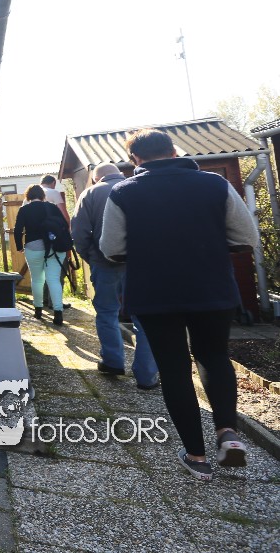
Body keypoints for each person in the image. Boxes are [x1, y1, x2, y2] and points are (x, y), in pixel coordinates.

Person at [100, 129, 258, 481]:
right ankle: (227, 433)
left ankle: (197, 456)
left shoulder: (123, 192)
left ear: (135, 160)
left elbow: (111, 248)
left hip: (155, 293)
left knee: (173, 368)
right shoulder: (215, 184)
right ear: (174, 152)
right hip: (212, 288)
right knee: (214, 356)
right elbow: (246, 237)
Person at [71, 162, 159, 389]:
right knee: (144, 318)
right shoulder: (138, 187)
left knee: (107, 312)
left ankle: (113, 362)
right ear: (119, 173)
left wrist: (91, 257)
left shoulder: (90, 194)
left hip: (104, 263)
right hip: (140, 264)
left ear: (96, 178)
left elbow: (79, 232)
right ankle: (147, 375)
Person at [13, 184, 68, 325]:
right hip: (54, 247)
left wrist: (19, 247)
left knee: (37, 279)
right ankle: (58, 313)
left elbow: (18, 230)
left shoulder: (24, 209)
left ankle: (38, 310)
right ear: (43, 196)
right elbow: (64, 225)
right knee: (53, 279)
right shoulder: (52, 207)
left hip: (33, 246)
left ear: (28, 196)